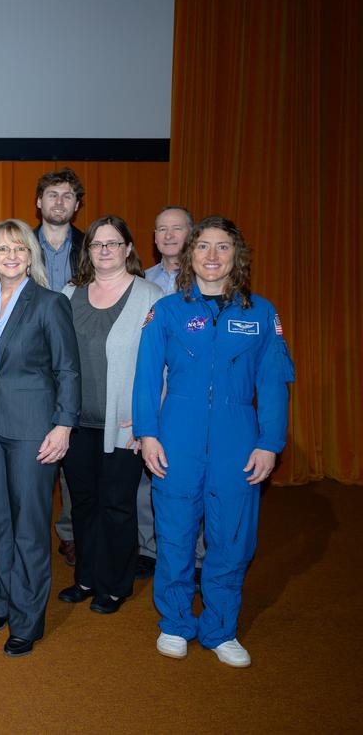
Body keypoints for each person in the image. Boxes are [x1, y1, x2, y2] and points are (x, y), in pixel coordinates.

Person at [133, 216, 293, 668]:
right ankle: (176, 622)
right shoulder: (167, 311)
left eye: (222, 247)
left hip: (238, 438)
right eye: (203, 246)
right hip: (177, 434)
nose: (211, 256)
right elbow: (146, 377)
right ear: (190, 254)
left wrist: (269, 443)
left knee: (232, 538)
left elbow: (275, 381)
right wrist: (147, 434)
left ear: (236, 257)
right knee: (176, 533)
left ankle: (221, 627)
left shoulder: (260, 312)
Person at [0, 219, 80, 658]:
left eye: (20, 249)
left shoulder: (49, 303)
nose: (11, 256)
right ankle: (4, 602)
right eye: (2, 249)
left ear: (32, 256)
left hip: (35, 427)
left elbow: (68, 367)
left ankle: (27, 620)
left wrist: (64, 425)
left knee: (29, 524)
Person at [56, 216, 163, 615]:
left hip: (125, 425)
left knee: (117, 505)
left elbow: (161, 366)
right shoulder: (69, 293)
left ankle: (115, 585)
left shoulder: (150, 296)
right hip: (76, 422)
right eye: (97, 244)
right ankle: (85, 576)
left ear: (129, 249)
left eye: (112, 243)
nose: (103, 250)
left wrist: (146, 420)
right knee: (82, 503)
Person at [136, 205, 194, 579]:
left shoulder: (207, 279)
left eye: (177, 228)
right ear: (154, 239)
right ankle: (146, 548)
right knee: (146, 474)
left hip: (189, 397)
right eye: (162, 230)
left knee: (191, 476)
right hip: (152, 390)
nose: (169, 236)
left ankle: (197, 553)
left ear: (192, 233)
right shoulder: (143, 281)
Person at [34, 168, 86, 567]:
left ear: (76, 204)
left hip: (74, 359)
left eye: (67, 195)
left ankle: (69, 531)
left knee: (72, 455)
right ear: (39, 202)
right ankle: (31, 530)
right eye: (52, 194)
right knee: (31, 450)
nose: (59, 201)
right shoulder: (19, 244)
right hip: (30, 363)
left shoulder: (93, 247)